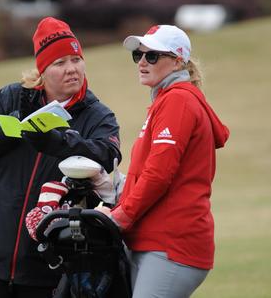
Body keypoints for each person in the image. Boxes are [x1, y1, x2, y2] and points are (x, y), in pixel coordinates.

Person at [0, 17, 121, 298]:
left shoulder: (98, 115)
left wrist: (62, 141)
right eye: (60, 63)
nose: (72, 69)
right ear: (42, 70)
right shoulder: (12, 97)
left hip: (50, 267)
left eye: (76, 59)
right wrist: (16, 125)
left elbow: (108, 156)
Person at [95, 25, 230, 298]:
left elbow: (158, 175)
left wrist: (119, 217)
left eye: (152, 56)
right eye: (138, 55)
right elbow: (147, 174)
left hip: (171, 245)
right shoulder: (166, 101)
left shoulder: (178, 101)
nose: (142, 62)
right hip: (153, 241)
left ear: (178, 61)